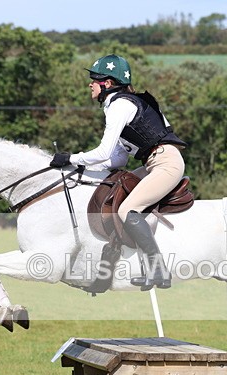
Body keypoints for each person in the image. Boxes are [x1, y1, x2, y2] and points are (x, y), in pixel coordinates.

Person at [50, 54, 187, 291]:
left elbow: (104, 152)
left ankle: (158, 269)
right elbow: (119, 157)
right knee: (114, 188)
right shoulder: (123, 104)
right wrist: (83, 167)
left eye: (95, 79)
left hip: (165, 163)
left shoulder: (119, 105)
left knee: (127, 209)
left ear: (108, 83)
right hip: (154, 162)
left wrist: (71, 158)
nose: (90, 84)